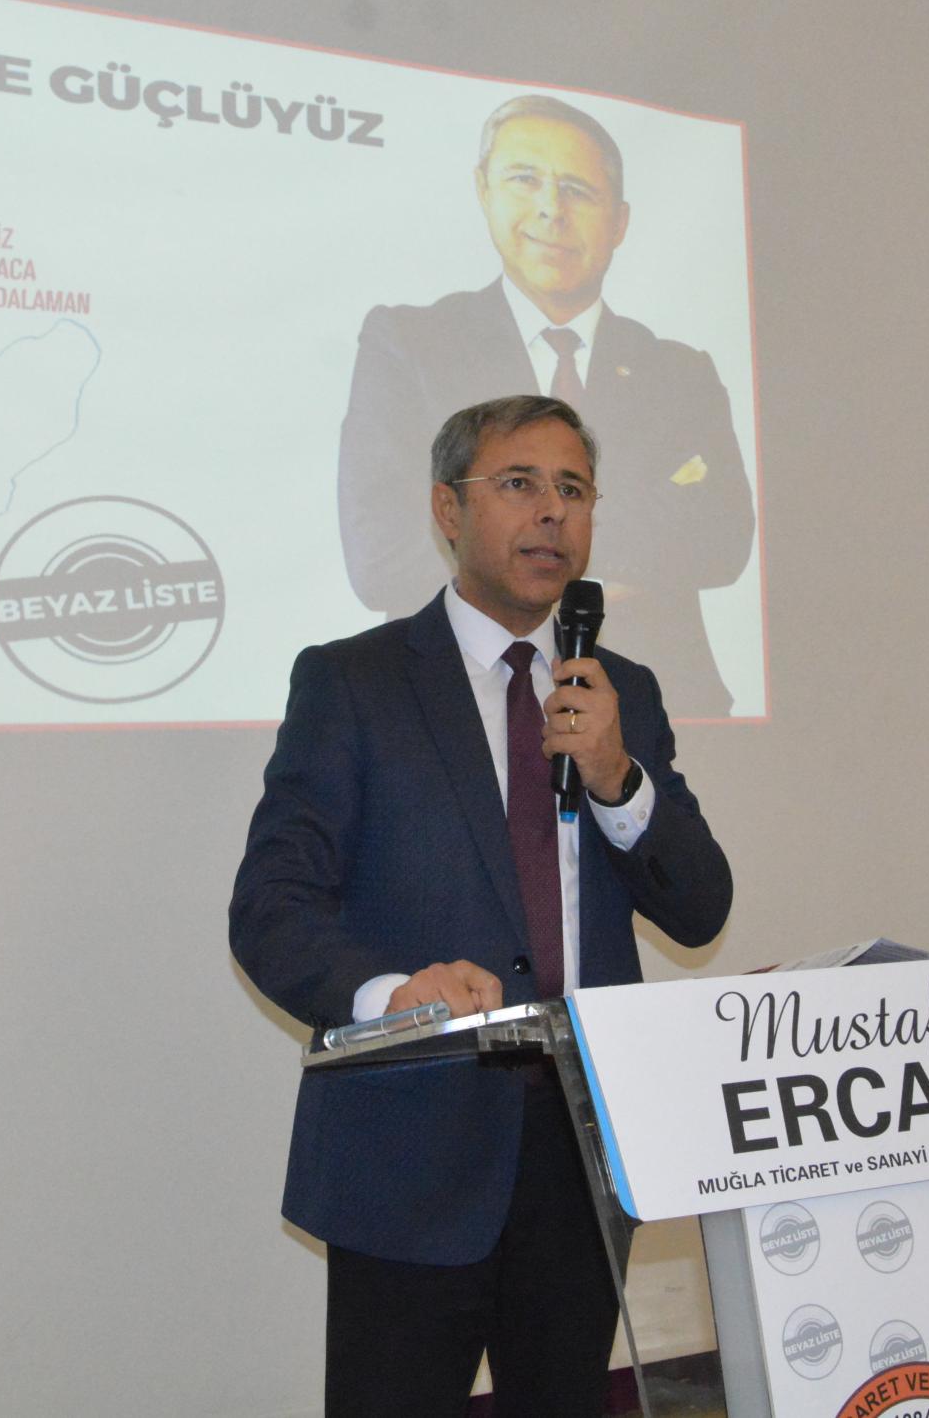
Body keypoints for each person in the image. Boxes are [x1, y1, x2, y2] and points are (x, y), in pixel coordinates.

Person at [233, 394, 733, 1417]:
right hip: (413, 1145)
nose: (551, 511)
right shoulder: (355, 682)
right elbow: (272, 905)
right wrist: (390, 998)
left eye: (573, 489)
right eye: (519, 483)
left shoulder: (620, 692)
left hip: (586, 1148)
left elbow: (700, 907)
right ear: (446, 509)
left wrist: (617, 778)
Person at [337, 94, 756, 718]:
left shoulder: (679, 370)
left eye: (578, 191)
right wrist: (637, 537)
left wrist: (506, 533)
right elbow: (380, 557)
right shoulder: (410, 344)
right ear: (483, 192)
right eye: (524, 180)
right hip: (442, 710)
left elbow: (723, 540)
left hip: (660, 710)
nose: (551, 210)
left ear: (619, 222)